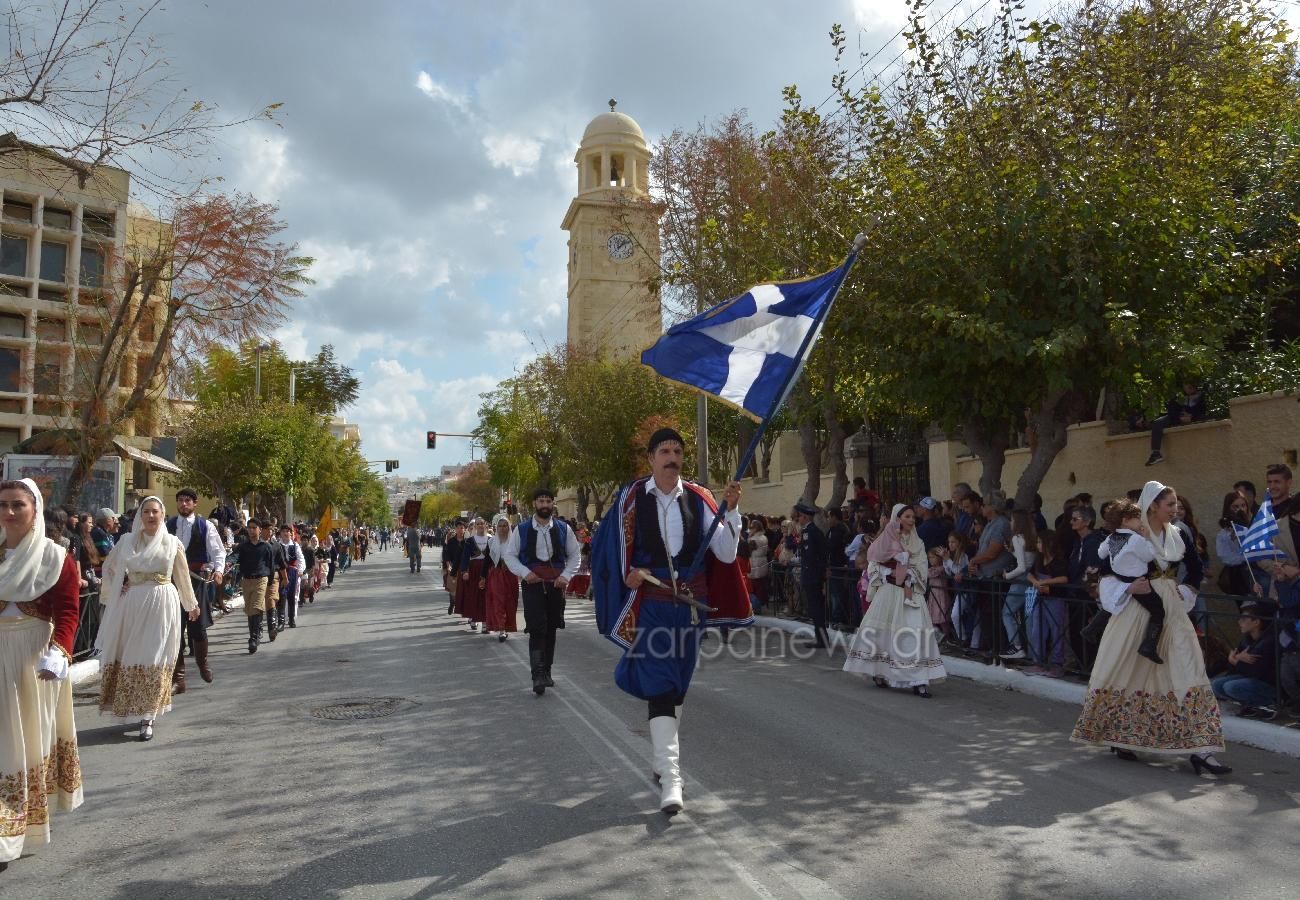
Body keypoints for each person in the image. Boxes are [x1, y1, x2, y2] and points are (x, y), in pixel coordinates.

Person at [591, 427, 750, 815]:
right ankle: (674, 779)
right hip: (654, 604)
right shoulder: (630, 498)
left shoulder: (700, 498)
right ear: (651, 459)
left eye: (677, 450)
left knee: (677, 687)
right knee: (661, 684)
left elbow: (727, 556)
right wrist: (627, 571)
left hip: (691, 607)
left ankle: (662, 763)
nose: (672, 456)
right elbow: (607, 546)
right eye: (664, 450)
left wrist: (730, 512)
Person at [1071, 480, 1230, 776]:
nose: (1175, 509)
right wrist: (1129, 587)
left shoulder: (1180, 532)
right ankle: (1121, 734)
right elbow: (1107, 570)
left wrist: (1187, 590)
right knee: (1127, 668)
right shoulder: (1132, 530)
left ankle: (1202, 750)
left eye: (1176, 505)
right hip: (1136, 607)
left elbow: (1195, 567)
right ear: (1153, 506)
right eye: (1170, 505)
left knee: (1190, 666)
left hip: (1171, 607)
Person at [0, 478, 83, 872]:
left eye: (18, 504)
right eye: (3, 505)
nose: (9, 512)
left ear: (34, 509)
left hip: (34, 659)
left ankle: (14, 827)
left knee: (25, 741)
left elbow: (68, 611)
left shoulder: (55, 558)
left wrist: (60, 651)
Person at [95, 496, 200, 741]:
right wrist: (116, 587)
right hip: (132, 605)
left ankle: (148, 716)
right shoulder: (127, 541)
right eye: (147, 512)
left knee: (155, 657)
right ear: (140, 516)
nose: (151, 516)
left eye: (155, 511)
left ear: (163, 515)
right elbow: (109, 568)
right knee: (132, 655)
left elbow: (182, 577)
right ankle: (135, 708)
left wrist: (191, 605)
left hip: (163, 605)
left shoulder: (172, 543)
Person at [843, 503, 945, 696]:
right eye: (907, 516)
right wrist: (887, 571)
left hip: (910, 592)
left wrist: (911, 574)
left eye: (913, 517)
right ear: (897, 518)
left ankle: (919, 679)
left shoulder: (918, 543)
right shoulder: (886, 539)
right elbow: (872, 565)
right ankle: (880, 671)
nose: (911, 520)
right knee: (883, 634)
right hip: (889, 591)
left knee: (914, 634)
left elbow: (922, 567)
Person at [505, 488, 580, 693]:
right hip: (533, 584)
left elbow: (575, 555)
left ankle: (547, 671)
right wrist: (525, 572)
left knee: (552, 628)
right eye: (541, 501)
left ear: (553, 504)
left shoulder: (564, 529)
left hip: (556, 585)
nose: (544, 505)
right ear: (534, 504)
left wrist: (566, 576)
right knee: (537, 628)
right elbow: (510, 555)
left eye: (548, 501)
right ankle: (537, 674)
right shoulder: (522, 529)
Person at [165, 488, 226, 691]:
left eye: (187, 501)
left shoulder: (204, 525)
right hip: (172, 583)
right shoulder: (168, 525)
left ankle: (202, 663)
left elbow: (218, 551)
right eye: (180, 500)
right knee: (175, 630)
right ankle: (179, 678)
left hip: (196, 582)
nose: (183, 504)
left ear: (195, 503)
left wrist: (218, 570)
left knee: (197, 628)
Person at [1098, 500, 1165, 664]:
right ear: (1125, 520)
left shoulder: (1112, 538)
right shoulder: (1136, 539)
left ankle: (1092, 629)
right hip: (1138, 581)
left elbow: (1101, 553)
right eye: (1137, 518)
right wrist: (1148, 538)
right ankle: (1149, 645)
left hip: (1120, 579)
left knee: (1116, 602)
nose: (1141, 522)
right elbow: (1149, 556)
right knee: (1158, 610)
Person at [1210, 602, 1279, 720]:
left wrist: (1237, 661)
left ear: (1256, 622)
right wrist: (1232, 660)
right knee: (1215, 685)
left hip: (1267, 685)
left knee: (1231, 687)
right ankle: (1251, 704)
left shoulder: (1268, 642)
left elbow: (1259, 673)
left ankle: (1268, 704)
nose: (1239, 622)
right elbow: (1236, 670)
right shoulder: (1247, 640)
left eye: (1244, 619)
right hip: (1250, 679)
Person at [233, 519, 276, 653]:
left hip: (261, 579)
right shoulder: (243, 546)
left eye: (254, 528)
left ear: (259, 529)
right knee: (250, 610)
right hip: (247, 580)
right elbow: (234, 558)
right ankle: (255, 635)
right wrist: (226, 564)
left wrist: (269, 582)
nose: (251, 530)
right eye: (249, 528)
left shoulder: (266, 547)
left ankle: (253, 638)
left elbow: (271, 565)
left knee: (257, 607)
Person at [1144, 381, 1207, 466]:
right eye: (1186, 386)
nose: (1188, 388)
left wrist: (1192, 416)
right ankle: (1156, 453)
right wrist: (1179, 417)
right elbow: (1171, 409)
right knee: (1157, 423)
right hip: (1176, 417)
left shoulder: (1200, 396)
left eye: (1190, 387)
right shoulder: (1178, 395)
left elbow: (1202, 411)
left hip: (1192, 418)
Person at [795, 502, 830, 648]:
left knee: (816, 609)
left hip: (812, 576)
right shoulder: (808, 531)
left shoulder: (811, 532)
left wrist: (819, 576)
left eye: (800, 517)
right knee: (814, 609)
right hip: (811, 575)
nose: (798, 520)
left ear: (804, 517)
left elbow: (814, 557)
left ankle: (822, 639)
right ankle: (820, 638)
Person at [484, 514, 519, 642]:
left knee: (510, 602)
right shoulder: (492, 542)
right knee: (498, 602)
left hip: (511, 575)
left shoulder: (515, 542)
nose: (503, 528)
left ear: (509, 527)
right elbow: (487, 561)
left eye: (505, 526)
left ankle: (508, 625)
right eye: (500, 526)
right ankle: (501, 629)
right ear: (496, 527)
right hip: (496, 575)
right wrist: (483, 577)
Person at [1214, 491, 1254, 597]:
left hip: (1258, 572)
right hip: (1239, 575)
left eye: (1243, 505)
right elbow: (1225, 557)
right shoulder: (1224, 534)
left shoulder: (1254, 525)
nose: (1240, 509)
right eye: (1235, 506)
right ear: (1229, 509)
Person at [457, 518, 491, 632]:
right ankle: (473, 618)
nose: (481, 525)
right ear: (475, 526)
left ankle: (486, 623)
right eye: (478, 524)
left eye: (482, 523)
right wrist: (465, 571)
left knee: (486, 596)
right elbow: (465, 557)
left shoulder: (491, 539)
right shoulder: (470, 541)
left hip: (487, 570)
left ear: (485, 525)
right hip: (474, 570)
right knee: (474, 595)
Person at [443, 520, 465, 615]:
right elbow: (446, 555)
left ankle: (463, 607)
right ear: (456, 529)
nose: (461, 530)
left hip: (464, 568)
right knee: (453, 589)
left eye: (462, 528)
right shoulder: (451, 541)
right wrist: (448, 565)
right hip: (453, 567)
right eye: (459, 527)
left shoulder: (467, 541)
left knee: (464, 589)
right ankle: (452, 603)